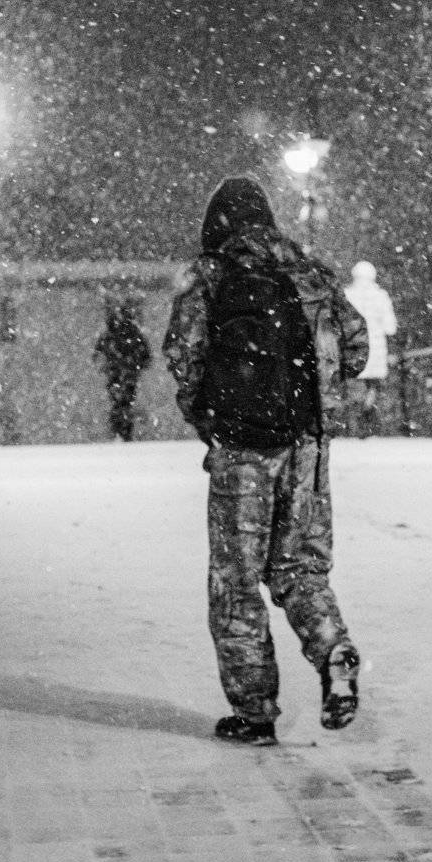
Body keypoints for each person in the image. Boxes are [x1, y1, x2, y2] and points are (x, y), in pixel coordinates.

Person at [163, 175, 369, 746]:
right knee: (299, 568)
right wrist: (313, 395)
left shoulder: (211, 277)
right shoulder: (310, 274)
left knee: (236, 581)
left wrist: (208, 414)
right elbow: (357, 345)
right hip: (306, 447)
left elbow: (182, 353)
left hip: (242, 452)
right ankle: (333, 649)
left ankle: (255, 713)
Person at [344, 261, 398, 437]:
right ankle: (366, 417)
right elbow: (390, 327)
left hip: (353, 347)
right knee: (372, 385)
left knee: (353, 381)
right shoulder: (380, 296)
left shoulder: (347, 295)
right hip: (376, 350)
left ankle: (351, 421)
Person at [94, 297, 151, 442]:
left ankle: (120, 430)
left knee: (119, 401)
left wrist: (107, 364)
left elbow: (98, 353)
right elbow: (145, 356)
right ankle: (123, 430)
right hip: (128, 373)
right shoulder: (133, 333)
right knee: (125, 401)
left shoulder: (110, 334)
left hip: (118, 372)